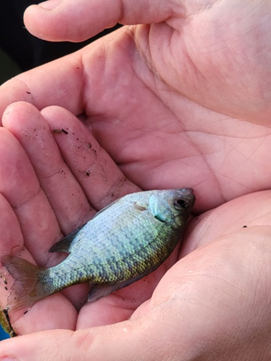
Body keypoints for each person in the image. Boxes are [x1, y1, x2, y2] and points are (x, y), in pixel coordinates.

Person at [1, 0, 271, 359]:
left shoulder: (149, 208)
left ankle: (39, 284)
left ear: (163, 210)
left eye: (181, 203)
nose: (186, 195)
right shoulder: (152, 211)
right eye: (182, 203)